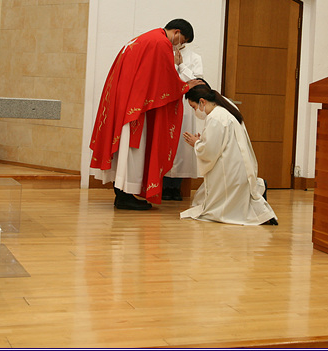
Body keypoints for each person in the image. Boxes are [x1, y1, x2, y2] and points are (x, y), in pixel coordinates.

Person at [89, 19, 195, 211]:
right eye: (182, 41)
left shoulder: (147, 38)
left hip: (127, 100)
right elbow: (165, 79)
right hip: (135, 107)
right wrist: (185, 86)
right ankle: (124, 196)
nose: (179, 46)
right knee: (131, 151)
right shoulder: (161, 42)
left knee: (125, 150)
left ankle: (122, 195)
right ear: (177, 32)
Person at [180, 84, 278, 226]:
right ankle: (260, 191)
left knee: (213, 208)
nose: (195, 111)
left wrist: (196, 143)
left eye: (194, 107)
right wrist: (202, 142)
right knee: (202, 199)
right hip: (236, 165)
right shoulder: (223, 112)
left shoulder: (215, 118)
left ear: (202, 101)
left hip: (230, 170)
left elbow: (209, 151)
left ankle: (261, 202)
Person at [162, 43, 204, 201]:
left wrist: (181, 66)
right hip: (167, 105)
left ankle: (176, 187)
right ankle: (164, 186)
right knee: (165, 144)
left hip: (186, 107)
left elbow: (197, 82)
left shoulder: (195, 57)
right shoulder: (164, 54)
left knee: (182, 147)